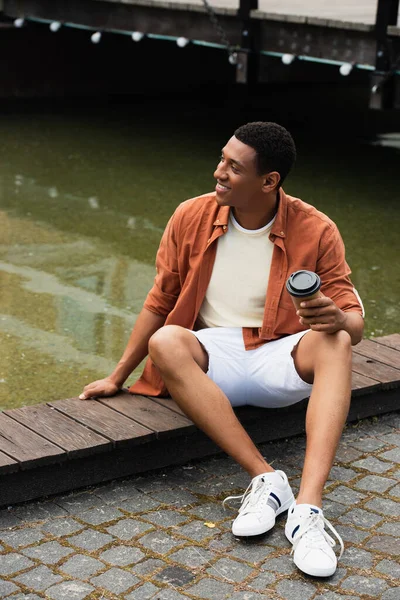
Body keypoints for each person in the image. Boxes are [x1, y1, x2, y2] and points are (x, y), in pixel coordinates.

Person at [80, 122, 364, 578]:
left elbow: (354, 318)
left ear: (269, 181)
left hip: (283, 355)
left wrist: (338, 319)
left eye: (234, 167)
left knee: (337, 341)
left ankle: (308, 511)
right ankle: (267, 479)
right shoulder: (191, 216)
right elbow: (160, 301)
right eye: (222, 159)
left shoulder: (316, 228)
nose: (219, 172)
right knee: (166, 339)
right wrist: (117, 376)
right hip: (218, 356)